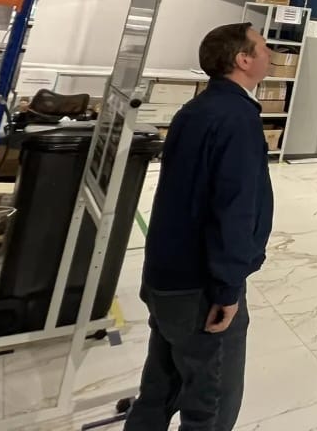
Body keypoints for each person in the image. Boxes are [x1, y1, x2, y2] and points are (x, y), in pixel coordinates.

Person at [125, 23, 275, 431]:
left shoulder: (196, 110)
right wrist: (227, 288)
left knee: (160, 387)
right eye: (263, 46)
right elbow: (234, 209)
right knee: (210, 406)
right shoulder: (237, 120)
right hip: (201, 290)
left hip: (166, 277)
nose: (270, 53)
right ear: (243, 60)